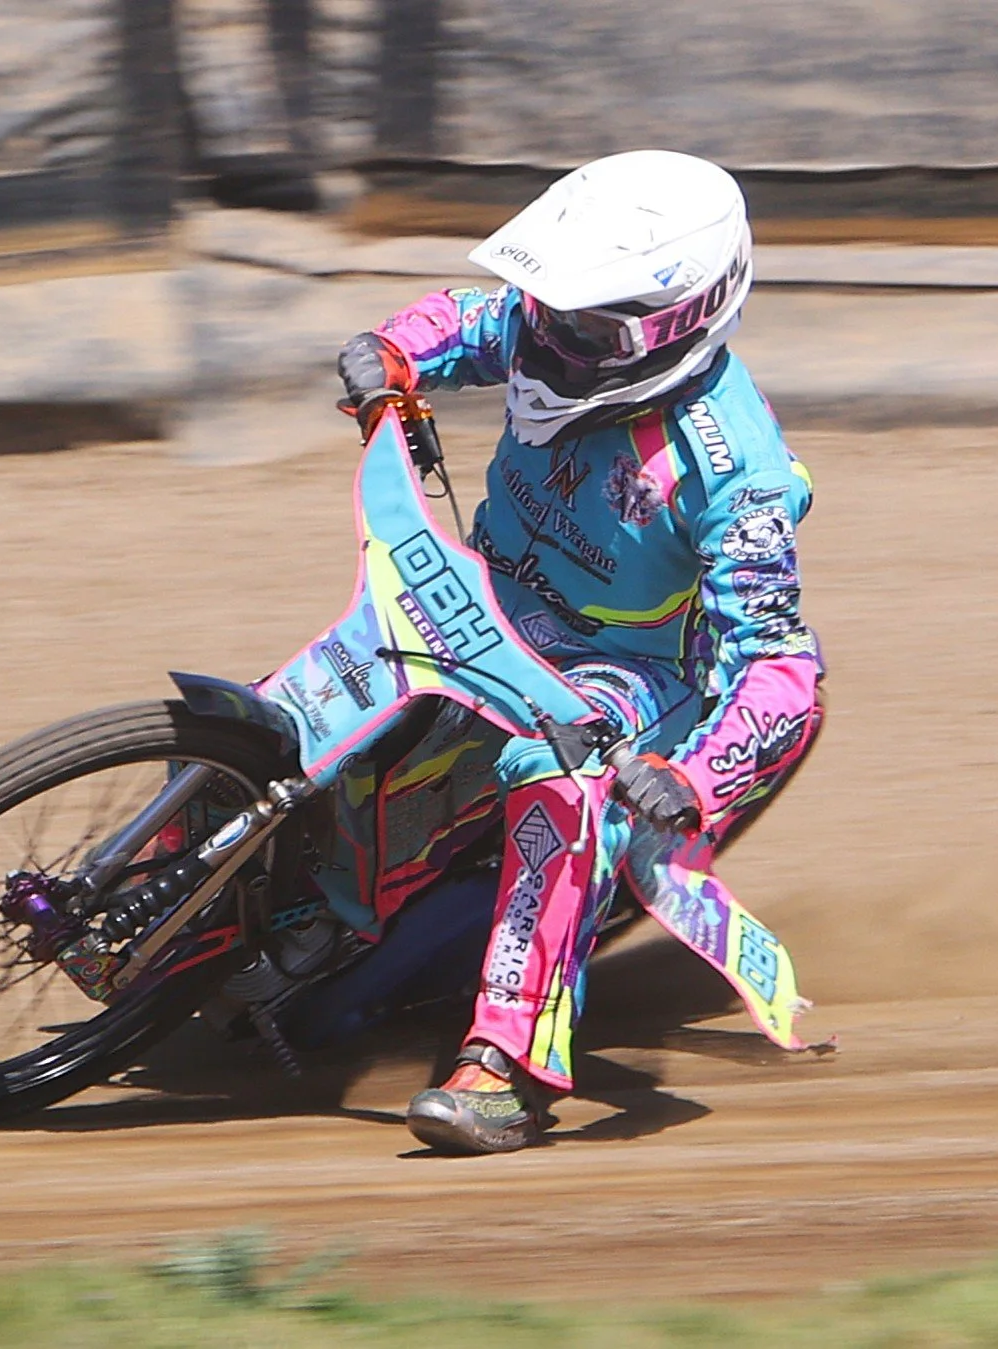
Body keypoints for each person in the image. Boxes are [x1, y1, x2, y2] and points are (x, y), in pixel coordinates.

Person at [334, 150, 824, 1154]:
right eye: (551, 312)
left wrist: (697, 779)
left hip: (626, 675)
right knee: (331, 689)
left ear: (682, 320)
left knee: (551, 782)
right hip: (488, 600)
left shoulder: (736, 472)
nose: (550, 342)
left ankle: (502, 1066)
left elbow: (782, 666)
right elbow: (467, 319)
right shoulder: (544, 323)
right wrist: (390, 354)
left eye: (586, 328)